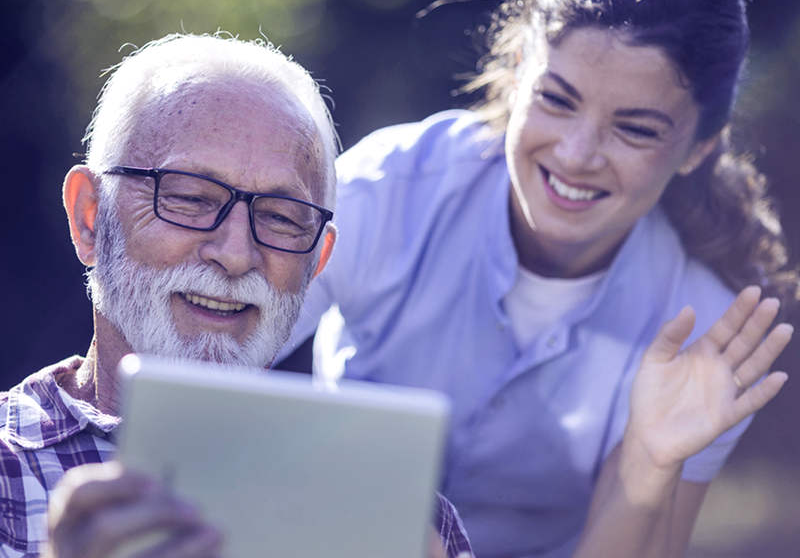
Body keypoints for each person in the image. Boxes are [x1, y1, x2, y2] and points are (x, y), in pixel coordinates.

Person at [279, 0, 799, 556]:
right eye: (557, 99)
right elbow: (213, 363)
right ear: (521, 72)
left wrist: (648, 463)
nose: (577, 154)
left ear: (698, 148)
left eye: (635, 130)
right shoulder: (388, 189)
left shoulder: (708, 331)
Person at [0, 33, 474, 558]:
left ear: (317, 260)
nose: (235, 253)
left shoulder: (398, 517)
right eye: (189, 197)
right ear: (90, 218)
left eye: (279, 217)